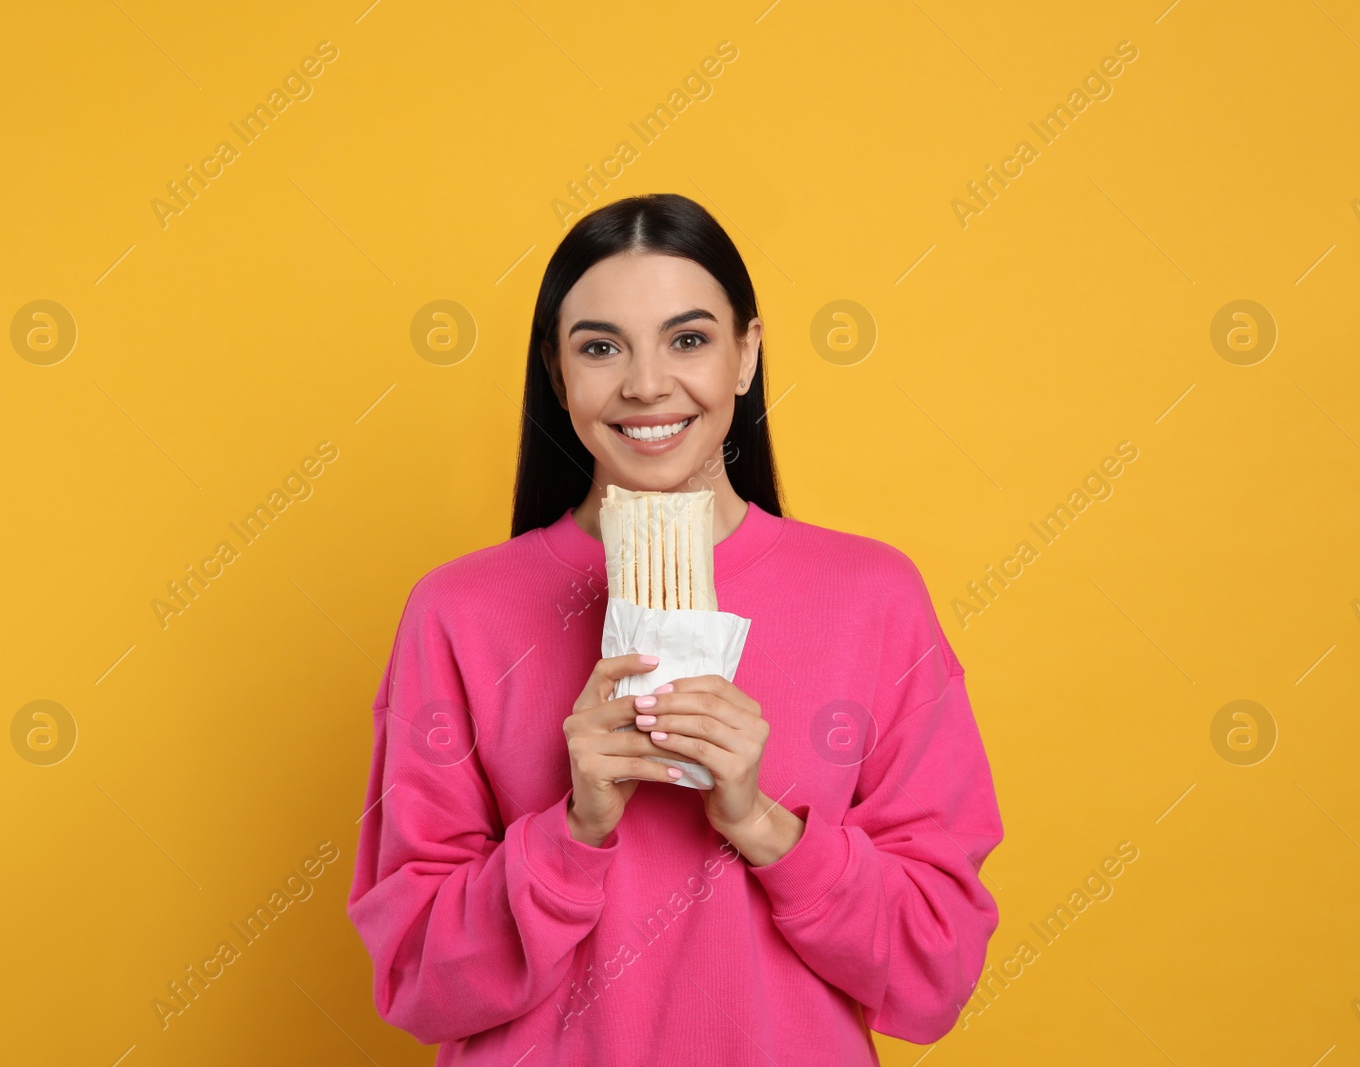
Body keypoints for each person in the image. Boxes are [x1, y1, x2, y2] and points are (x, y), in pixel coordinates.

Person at [346, 192, 1004, 1064]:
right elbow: (421, 979)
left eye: (688, 339)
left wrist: (762, 823)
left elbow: (935, 970)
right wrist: (573, 828)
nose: (647, 383)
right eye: (600, 347)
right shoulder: (459, 612)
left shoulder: (872, 596)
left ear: (746, 355)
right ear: (557, 371)